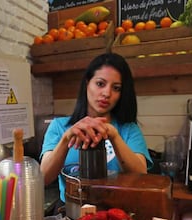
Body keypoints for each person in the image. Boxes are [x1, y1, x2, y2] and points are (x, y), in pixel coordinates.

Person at [40, 52, 153, 205]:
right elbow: (43, 178)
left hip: (116, 213)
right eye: (100, 84)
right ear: (87, 83)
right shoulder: (59, 126)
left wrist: (113, 135)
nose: (106, 93)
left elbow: (141, 176)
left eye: (116, 88)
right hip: (71, 213)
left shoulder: (129, 129)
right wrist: (67, 138)